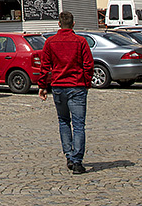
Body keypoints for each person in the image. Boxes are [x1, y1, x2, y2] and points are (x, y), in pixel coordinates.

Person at [37, 11, 95, 174]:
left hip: (58, 86)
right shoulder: (80, 41)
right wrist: (87, 82)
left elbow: (45, 65)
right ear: (73, 24)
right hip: (76, 86)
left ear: (59, 24)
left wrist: (42, 85)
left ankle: (69, 155)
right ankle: (77, 161)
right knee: (78, 124)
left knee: (63, 121)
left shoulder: (50, 42)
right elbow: (88, 65)